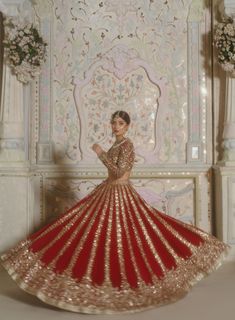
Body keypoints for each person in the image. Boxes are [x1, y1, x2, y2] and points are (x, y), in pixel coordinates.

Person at [1, 110, 230, 314]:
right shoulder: (117, 145)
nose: (115, 126)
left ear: (127, 126)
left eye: (120, 123)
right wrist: (105, 153)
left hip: (121, 193)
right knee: (87, 230)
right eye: (113, 122)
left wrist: (101, 153)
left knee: (140, 232)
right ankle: (93, 278)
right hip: (108, 190)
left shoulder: (127, 145)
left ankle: (136, 277)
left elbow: (120, 171)